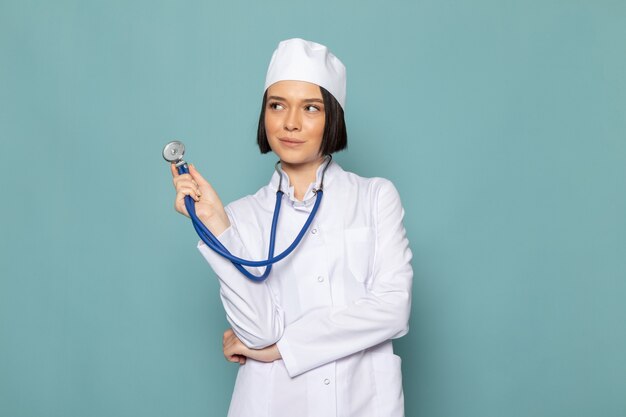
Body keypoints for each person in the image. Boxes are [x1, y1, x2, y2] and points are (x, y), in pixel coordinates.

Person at [170, 38, 413, 417]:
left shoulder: (374, 197)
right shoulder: (242, 216)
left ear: (333, 117)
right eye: (277, 105)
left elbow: (393, 309)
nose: (290, 123)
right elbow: (258, 331)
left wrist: (281, 349)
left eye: (311, 108)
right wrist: (216, 225)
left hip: (362, 403)